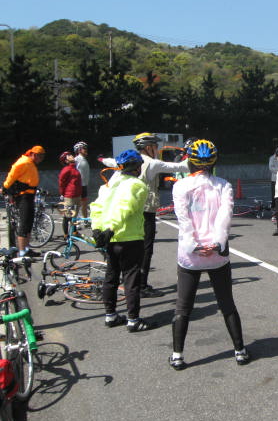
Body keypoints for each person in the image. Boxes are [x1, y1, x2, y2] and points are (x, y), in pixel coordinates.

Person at [169, 139, 250, 370]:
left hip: (190, 255)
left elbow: (183, 221)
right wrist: (216, 243)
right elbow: (225, 218)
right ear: (214, 161)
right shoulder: (224, 185)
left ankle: (177, 355)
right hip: (217, 254)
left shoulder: (180, 186)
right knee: (227, 304)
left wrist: (194, 245)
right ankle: (240, 351)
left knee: (183, 307)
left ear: (190, 162)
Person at [100, 133, 189, 297]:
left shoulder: (127, 161)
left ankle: (130, 285)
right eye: (155, 146)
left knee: (126, 249)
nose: (157, 149)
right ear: (148, 148)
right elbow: (177, 167)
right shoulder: (152, 163)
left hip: (127, 211)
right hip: (146, 212)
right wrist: (195, 158)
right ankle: (141, 285)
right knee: (145, 249)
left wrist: (102, 160)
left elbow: (110, 162)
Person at [90, 149, 153, 333]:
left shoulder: (110, 184)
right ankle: (133, 320)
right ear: (136, 167)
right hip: (130, 238)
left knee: (111, 277)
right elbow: (125, 208)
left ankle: (110, 316)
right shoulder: (137, 185)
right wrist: (111, 228)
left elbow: (97, 207)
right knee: (131, 278)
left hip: (111, 239)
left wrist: (98, 229)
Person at [2, 145, 46, 257]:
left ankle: (26, 249)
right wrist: (5, 187)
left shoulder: (30, 163)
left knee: (29, 223)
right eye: (39, 156)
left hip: (29, 196)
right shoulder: (24, 162)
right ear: (33, 154)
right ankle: (22, 252)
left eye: (42, 157)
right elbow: (12, 174)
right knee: (24, 222)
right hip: (23, 197)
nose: (41, 159)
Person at [58, 151, 82, 239]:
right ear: (66, 161)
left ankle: (75, 231)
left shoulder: (75, 168)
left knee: (75, 215)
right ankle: (66, 234)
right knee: (67, 215)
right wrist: (62, 193)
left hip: (77, 195)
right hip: (69, 196)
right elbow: (61, 182)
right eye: (68, 155)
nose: (71, 155)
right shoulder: (66, 169)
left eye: (70, 154)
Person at [73, 141, 90, 219]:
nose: (86, 150)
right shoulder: (76, 159)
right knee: (77, 205)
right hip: (78, 186)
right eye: (84, 148)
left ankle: (85, 220)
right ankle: (76, 222)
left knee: (84, 204)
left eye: (86, 148)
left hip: (84, 185)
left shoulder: (84, 159)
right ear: (79, 150)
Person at [269, 147, 278, 211]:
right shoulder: (272, 158)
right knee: (274, 193)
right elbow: (271, 168)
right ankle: (273, 205)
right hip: (274, 178)